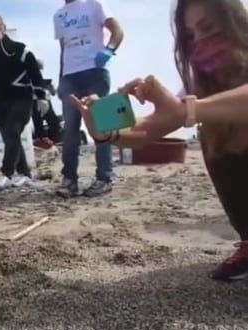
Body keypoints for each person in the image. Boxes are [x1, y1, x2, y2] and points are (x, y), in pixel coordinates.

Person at [68, 0, 248, 281]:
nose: (200, 42)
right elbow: (148, 130)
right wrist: (105, 126)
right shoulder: (199, 86)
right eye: (190, 37)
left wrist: (190, 110)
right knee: (218, 134)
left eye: (208, 28)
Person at [53, 0, 124, 198]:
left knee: (101, 125)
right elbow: (63, 50)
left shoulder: (95, 5)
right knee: (70, 130)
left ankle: (104, 178)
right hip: (70, 77)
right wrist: (61, 79)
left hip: (95, 72)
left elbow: (117, 31)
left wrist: (109, 50)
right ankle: (69, 181)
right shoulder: (59, 15)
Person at [0, 14, 51, 190]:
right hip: (1, 99)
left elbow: (34, 72)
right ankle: (25, 175)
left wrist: (41, 96)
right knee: (11, 138)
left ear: (3, 27)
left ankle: (6, 174)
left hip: (22, 97)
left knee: (12, 131)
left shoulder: (20, 50)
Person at [32, 58, 64, 147]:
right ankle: (40, 140)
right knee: (38, 122)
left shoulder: (43, 79)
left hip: (46, 100)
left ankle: (56, 139)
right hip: (35, 101)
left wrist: (50, 86)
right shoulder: (29, 77)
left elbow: (53, 93)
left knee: (53, 121)